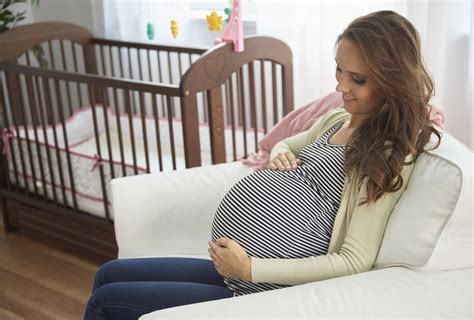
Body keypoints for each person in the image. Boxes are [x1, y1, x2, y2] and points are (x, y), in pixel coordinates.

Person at [84, 10, 441, 319]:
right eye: (339, 71)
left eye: (357, 79)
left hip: (261, 286)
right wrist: (279, 153)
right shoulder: (337, 118)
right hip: (235, 271)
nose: (340, 85)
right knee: (108, 273)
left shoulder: (387, 153)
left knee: (105, 302)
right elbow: (287, 143)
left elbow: (354, 259)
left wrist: (251, 268)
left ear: (393, 80)